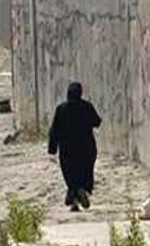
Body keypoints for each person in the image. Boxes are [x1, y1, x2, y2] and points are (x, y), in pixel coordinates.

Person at [47, 81, 101, 211]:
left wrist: (52, 148)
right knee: (86, 172)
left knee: (70, 174)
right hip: (86, 147)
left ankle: (73, 196)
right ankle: (81, 191)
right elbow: (97, 122)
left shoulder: (61, 109)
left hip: (67, 149)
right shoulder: (87, 107)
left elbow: (54, 130)